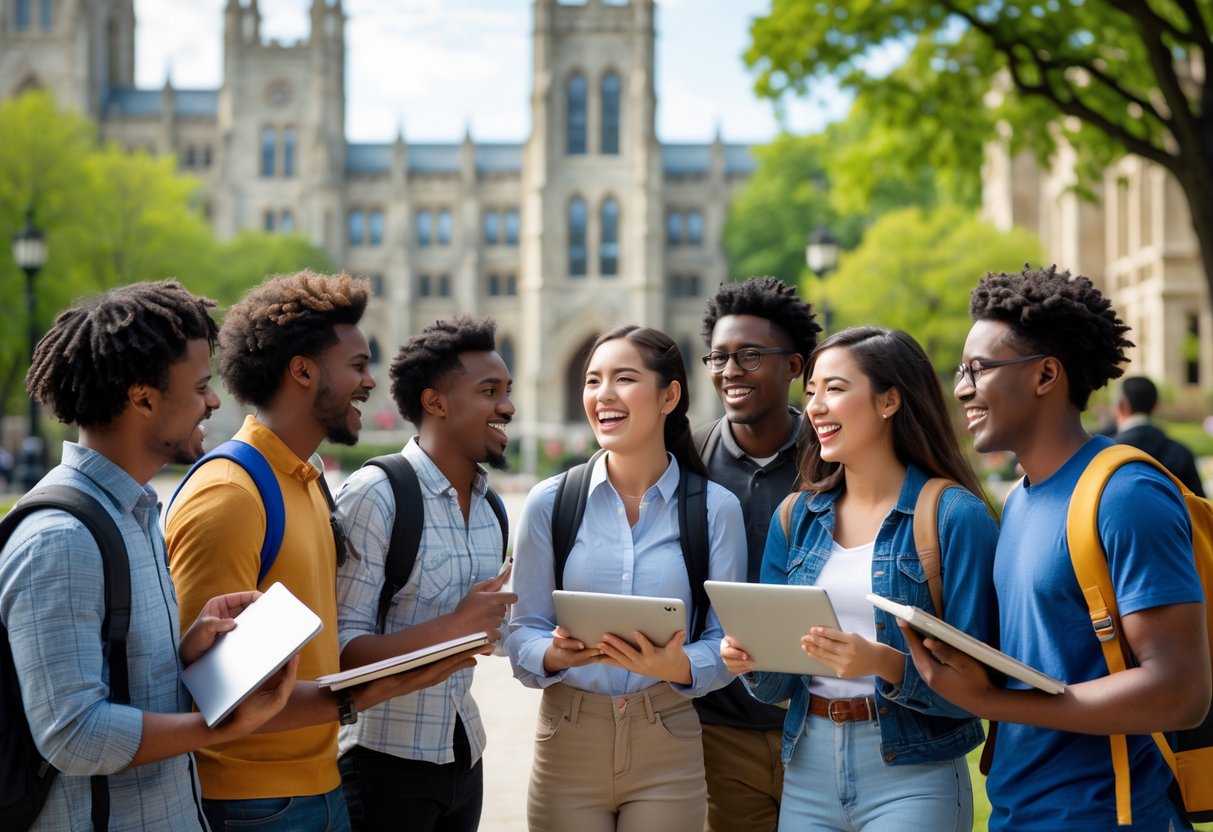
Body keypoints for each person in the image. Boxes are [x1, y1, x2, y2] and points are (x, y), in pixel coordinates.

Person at [166, 272, 476, 832]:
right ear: (303, 371)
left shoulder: (307, 482)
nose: (370, 380)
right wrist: (383, 685)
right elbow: (204, 697)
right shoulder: (231, 495)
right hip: (252, 806)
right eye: (358, 365)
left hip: (318, 788)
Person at [903, 265, 1209, 830]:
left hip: (1111, 817)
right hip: (1019, 811)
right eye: (960, 370)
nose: (962, 387)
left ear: (1046, 374)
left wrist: (991, 703)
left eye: (979, 369)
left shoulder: (1126, 495)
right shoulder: (1020, 498)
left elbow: (1182, 691)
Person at [0, 281, 297, 831]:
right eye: (203, 386)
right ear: (143, 398)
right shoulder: (60, 539)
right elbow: (73, 734)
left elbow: (111, 682)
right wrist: (221, 730)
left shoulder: (131, 513)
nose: (214, 401)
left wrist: (184, 653)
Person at [721, 326, 1000, 832]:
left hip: (914, 772)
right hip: (807, 765)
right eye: (811, 393)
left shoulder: (954, 516)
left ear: (889, 400)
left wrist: (882, 663)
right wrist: (751, 661)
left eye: (835, 388)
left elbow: (981, 686)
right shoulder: (795, 517)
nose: (815, 407)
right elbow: (776, 686)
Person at [506, 324, 747, 832]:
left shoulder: (715, 510)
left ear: (669, 396)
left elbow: (725, 643)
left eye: (624, 378)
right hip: (567, 739)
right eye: (593, 381)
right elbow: (522, 626)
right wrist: (549, 654)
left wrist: (679, 663)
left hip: (668, 736)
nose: (603, 395)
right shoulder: (550, 503)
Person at [334, 316, 516, 831]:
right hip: (381, 764)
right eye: (489, 391)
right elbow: (342, 651)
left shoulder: (492, 509)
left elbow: (485, 634)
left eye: (507, 390)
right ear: (435, 403)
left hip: (464, 754)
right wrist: (456, 626)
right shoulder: (377, 494)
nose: (507, 406)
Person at [693, 276, 819, 831]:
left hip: (821, 727)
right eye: (718, 357)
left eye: (749, 355)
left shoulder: (836, 456)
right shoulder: (686, 462)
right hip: (718, 733)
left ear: (794, 366)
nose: (730, 371)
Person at [1114, 375, 1205, 497]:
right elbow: (1200, 508)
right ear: (1156, 405)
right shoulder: (1181, 453)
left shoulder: (1108, 453)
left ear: (1120, 406)